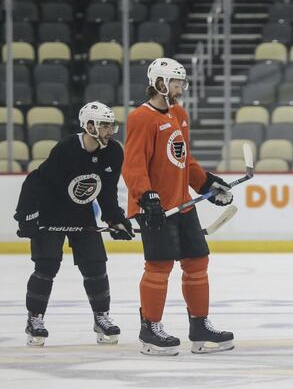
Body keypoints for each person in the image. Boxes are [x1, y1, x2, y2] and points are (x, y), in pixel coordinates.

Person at [123, 57, 235, 356]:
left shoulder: (179, 114)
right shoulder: (141, 118)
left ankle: (199, 327)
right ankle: (150, 329)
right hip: (155, 208)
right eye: (176, 83)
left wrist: (206, 184)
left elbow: (185, 159)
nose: (180, 88)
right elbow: (133, 164)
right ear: (159, 83)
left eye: (181, 83)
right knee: (159, 266)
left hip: (182, 204)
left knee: (197, 262)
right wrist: (146, 196)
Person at [15, 102, 133, 347]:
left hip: (81, 213)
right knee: (46, 266)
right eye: (104, 126)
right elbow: (36, 182)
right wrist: (27, 216)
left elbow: (107, 191)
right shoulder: (67, 148)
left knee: (96, 265)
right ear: (89, 126)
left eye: (111, 126)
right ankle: (35, 319)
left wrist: (115, 218)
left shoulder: (113, 152)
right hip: (50, 213)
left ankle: (101, 317)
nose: (110, 131)